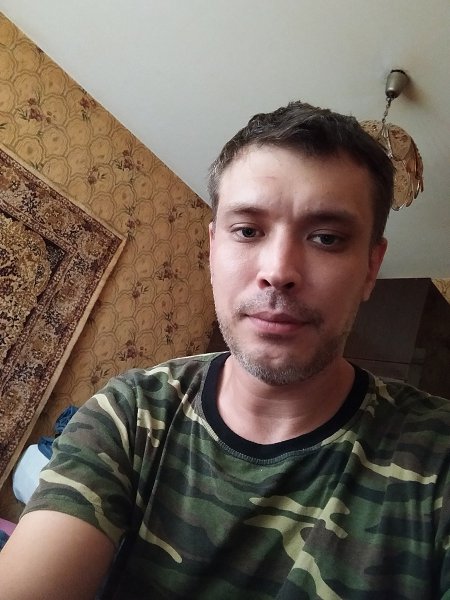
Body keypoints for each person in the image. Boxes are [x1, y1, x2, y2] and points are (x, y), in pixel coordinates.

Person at [0, 101, 449, 600]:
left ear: (370, 267)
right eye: (248, 231)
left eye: (326, 238)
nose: (278, 271)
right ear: (213, 249)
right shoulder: (132, 415)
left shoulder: (439, 459)